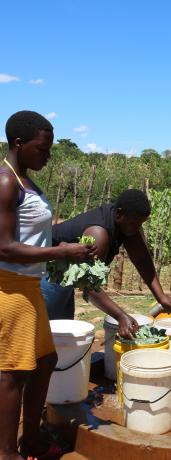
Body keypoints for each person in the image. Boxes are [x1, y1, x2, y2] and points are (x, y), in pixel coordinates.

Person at [0, 111, 95, 460]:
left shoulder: (24, 181)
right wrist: (61, 250)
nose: (48, 156)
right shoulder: (6, 182)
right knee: (13, 372)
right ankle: (7, 452)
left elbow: (30, 237)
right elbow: (3, 246)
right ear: (18, 144)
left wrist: (60, 254)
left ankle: (32, 439)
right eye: (42, 149)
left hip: (28, 287)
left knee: (44, 360)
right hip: (8, 289)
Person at [41, 188, 171, 337]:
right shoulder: (98, 234)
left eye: (141, 223)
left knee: (61, 337)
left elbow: (142, 260)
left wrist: (161, 297)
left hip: (65, 279)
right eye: (134, 223)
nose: (138, 228)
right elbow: (89, 285)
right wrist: (120, 316)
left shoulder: (128, 225)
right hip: (48, 275)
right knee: (47, 335)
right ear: (119, 214)